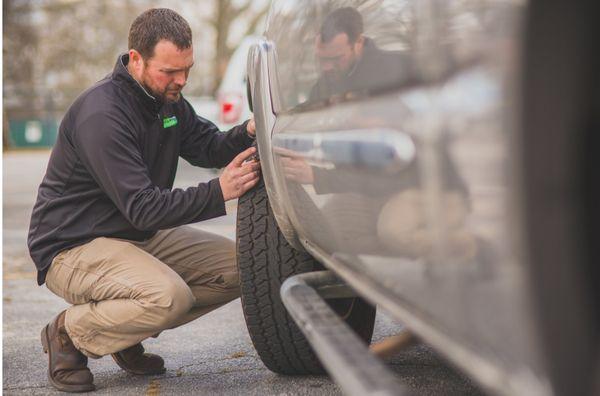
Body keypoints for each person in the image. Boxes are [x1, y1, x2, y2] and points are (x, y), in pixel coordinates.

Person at [27, 8, 260, 393]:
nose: (181, 80)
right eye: (169, 71)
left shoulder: (165, 100)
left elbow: (207, 145)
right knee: (168, 297)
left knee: (244, 267)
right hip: (72, 244)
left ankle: (120, 330)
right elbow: (144, 206)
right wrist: (220, 190)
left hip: (134, 232)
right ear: (136, 59)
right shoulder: (102, 114)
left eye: (187, 68)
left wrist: (249, 130)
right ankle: (70, 334)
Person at [309, 7, 413, 103]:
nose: (326, 67)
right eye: (322, 59)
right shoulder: (319, 91)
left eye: (336, 58)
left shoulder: (403, 69)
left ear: (359, 42)